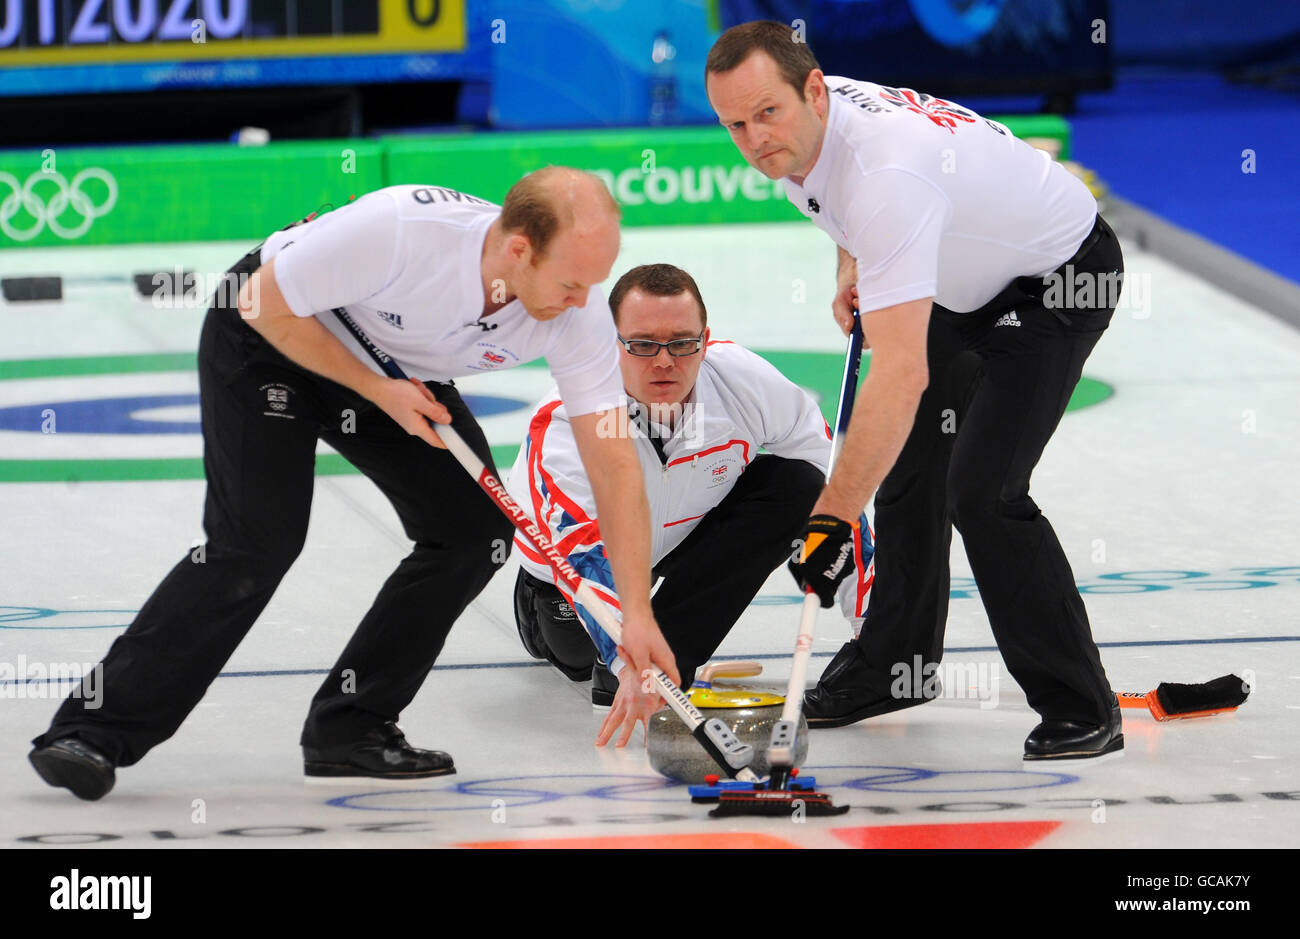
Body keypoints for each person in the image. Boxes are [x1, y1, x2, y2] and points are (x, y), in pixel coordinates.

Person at [29, 167, 678, 800]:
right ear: (517, 248)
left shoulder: (577, 308)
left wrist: (637, 613)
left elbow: (613, 463)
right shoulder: (403, 228)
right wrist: (375, 390)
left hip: (394, 368)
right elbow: (260, 302)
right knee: (256, 542)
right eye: (571, 282)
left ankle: (351, 724)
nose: (582, 301)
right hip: (271, 336)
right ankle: (92, 730)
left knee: (473, 532)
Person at [705, 21, 1127, 760]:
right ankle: (894, 668)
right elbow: (849, 209)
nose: (753, 138)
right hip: (968, 281)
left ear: (812, 91)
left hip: (1061, 279)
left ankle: (1081, 704)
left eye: (765, 113)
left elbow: (900, 372)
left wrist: (830, 519)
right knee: (908, 464)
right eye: (734, 123)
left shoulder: (887, 175)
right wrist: (851, 265)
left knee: (984, 492)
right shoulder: (811, 129)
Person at [506, 263, 873, 746]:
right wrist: (627, 660)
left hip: (687, 537)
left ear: (705, 339)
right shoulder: (568, 424)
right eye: (642, 345)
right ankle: (617, 651)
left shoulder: (741, 380)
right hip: (576, 576)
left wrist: (873, 629)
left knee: (799, 483)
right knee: (592, 666)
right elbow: (583, 558)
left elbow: (829, 481)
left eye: (682, 343)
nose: (664, 362)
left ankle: (670, 654)